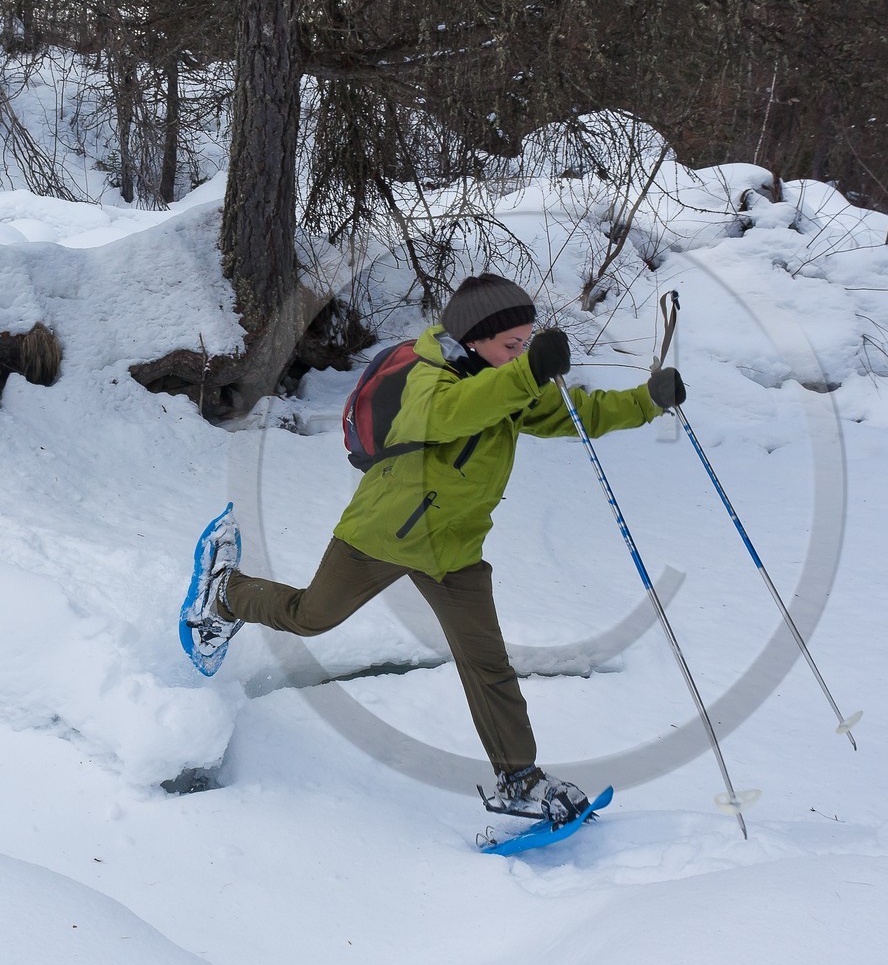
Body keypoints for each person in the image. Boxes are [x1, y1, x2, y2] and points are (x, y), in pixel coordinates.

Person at [183, 274, 686, 825]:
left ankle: (519, 778)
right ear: (474, 339)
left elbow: (575, 414)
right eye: (511, 344)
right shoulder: (428, 380)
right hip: (383, 536)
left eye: (526, 342)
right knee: (311, 617)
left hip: (455, 551)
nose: (519, 352)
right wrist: (527, 369)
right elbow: (458, 412)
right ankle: (226, 593)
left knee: (487, 663)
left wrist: (647, 400)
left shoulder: (506, 379)